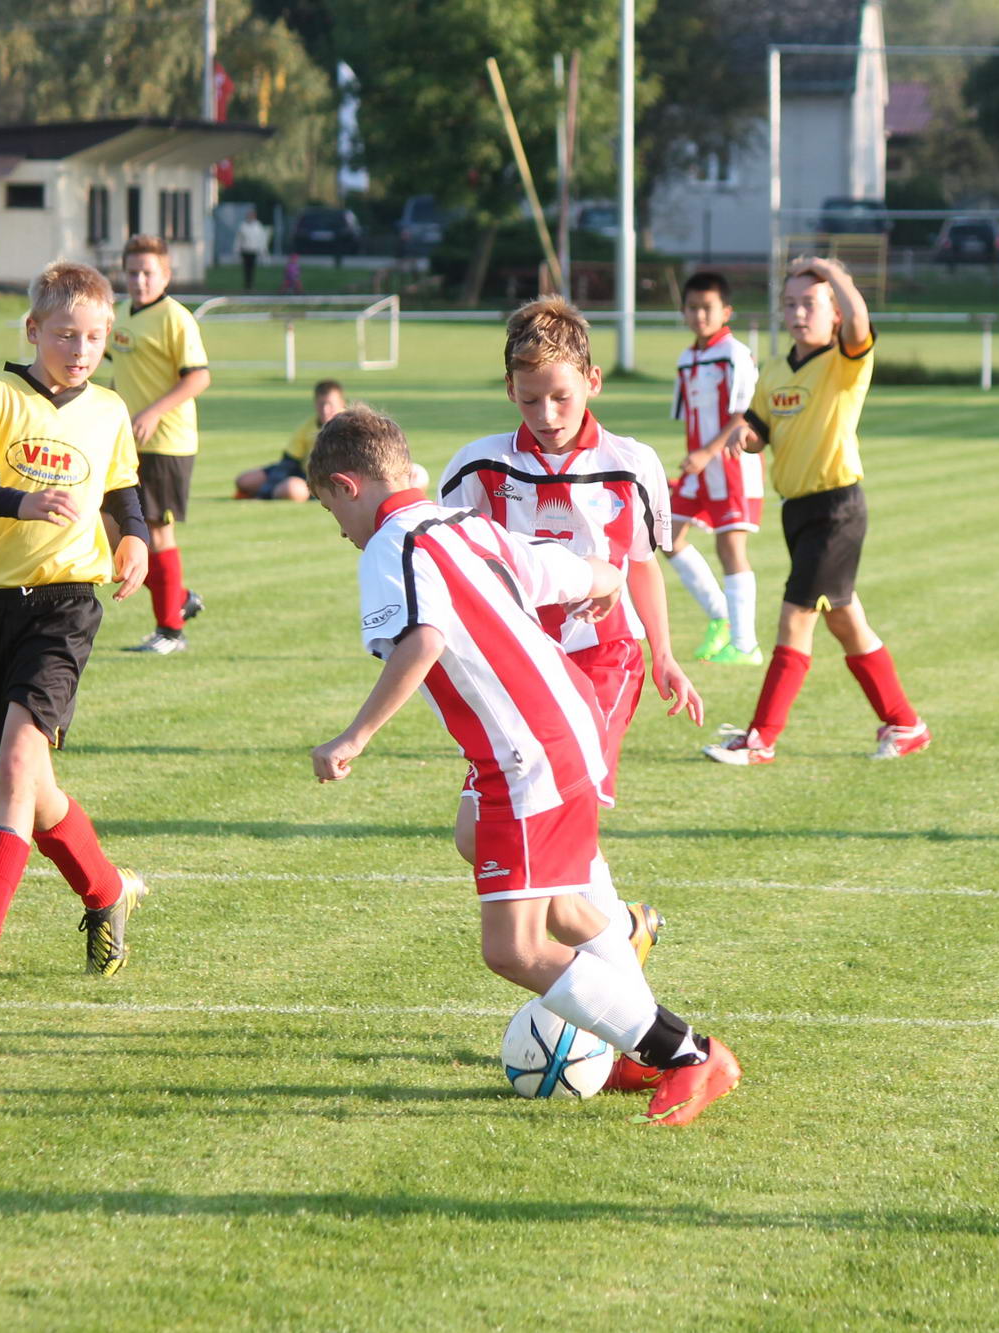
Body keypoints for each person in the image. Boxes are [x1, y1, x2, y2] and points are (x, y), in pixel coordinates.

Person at [307, 406, 741, 1126]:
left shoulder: (390, 545)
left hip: (523, 757)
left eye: (331, 510)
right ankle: (643, 1043)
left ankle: (688, 1053)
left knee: (513, 948)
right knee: (562, 904)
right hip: (567, 729)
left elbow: (422, 640)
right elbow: (573, 570)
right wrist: (605, 578)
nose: (339, 528)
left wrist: (354, 737)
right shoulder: (464, 525)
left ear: (347, 485)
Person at [0, 260, 152, 1003]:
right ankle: (107, 889)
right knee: (35, 787)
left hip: (66, 604)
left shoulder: (108, 409)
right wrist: (21, 502)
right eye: (65, 335)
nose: (80, 350)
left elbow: (122, 485)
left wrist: (136, 536)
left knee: (15, 770)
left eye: (94, 338)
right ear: (33, 330)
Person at [438, 299, 701, 948]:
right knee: (474, 835)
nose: (548, 415)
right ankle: (623, 930)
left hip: (604, 659)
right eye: (530, 400)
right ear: (510, 390)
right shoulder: (478, 466)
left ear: (593, 381)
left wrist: (664, 654)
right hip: (520, 669)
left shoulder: (632, 463)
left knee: (564, 817)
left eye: (561, 397)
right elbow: (450, 563)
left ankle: (600, 975)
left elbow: (641, 564)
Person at [701, 256, 929, 766]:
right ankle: (906, 723)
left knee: (795, 619)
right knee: (846, 622)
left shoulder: (845, 361)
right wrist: (746, 436)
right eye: (790, 304)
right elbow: (760, 429)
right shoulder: (776, 370)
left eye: (810, 303)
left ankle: (760, 739)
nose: (798, 313)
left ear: (834, 312)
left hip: (836, 509)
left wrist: (830, 269)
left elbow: (860, 321)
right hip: (797, 511)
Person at [111, 234, 212, 654]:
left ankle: (171, 631)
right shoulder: (120, 315)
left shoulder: (175, 318)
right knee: (112, 532)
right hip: (127, 444)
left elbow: (199, 377)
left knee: (157, 532)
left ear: (166, 275)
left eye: (148, 273)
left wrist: (153, 412)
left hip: (167, 443)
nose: (139, 280)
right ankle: (179, 597)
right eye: (132, 272)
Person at [665, 272, 763, 666]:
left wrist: (708, 453)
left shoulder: (735, 353)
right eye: (692, 307)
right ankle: (721, 615)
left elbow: (745, 414)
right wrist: (697, 458)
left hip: (732, 466)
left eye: (707, 308)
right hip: (700, 468)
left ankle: (745, 644)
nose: (699, 315)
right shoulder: (686, 358)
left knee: (731, 548)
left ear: (726, 311)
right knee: (667, 535)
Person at [234, 379, 346, 503]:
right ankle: (270, 491)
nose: (325, 409)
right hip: (303, 474)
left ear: (342, 403)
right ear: (315, 403)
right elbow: (288, 462)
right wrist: (267, 488)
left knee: (291, 489)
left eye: (330, 404)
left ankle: (279, 494)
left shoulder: (349, 426)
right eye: (321, 404)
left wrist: (265, 495)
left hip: (324, 482)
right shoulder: (307, 426)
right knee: (244, 481)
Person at [236, 208, 270, 291]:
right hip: (245, 249)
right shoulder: (243, 226)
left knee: (252, 269)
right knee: (246, 268)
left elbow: (262, 238)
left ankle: (251, 285)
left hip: (253, 250)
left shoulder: (258, 226)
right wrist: (237, 249)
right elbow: (239, 239)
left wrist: (263, 249)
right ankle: (246, 285)